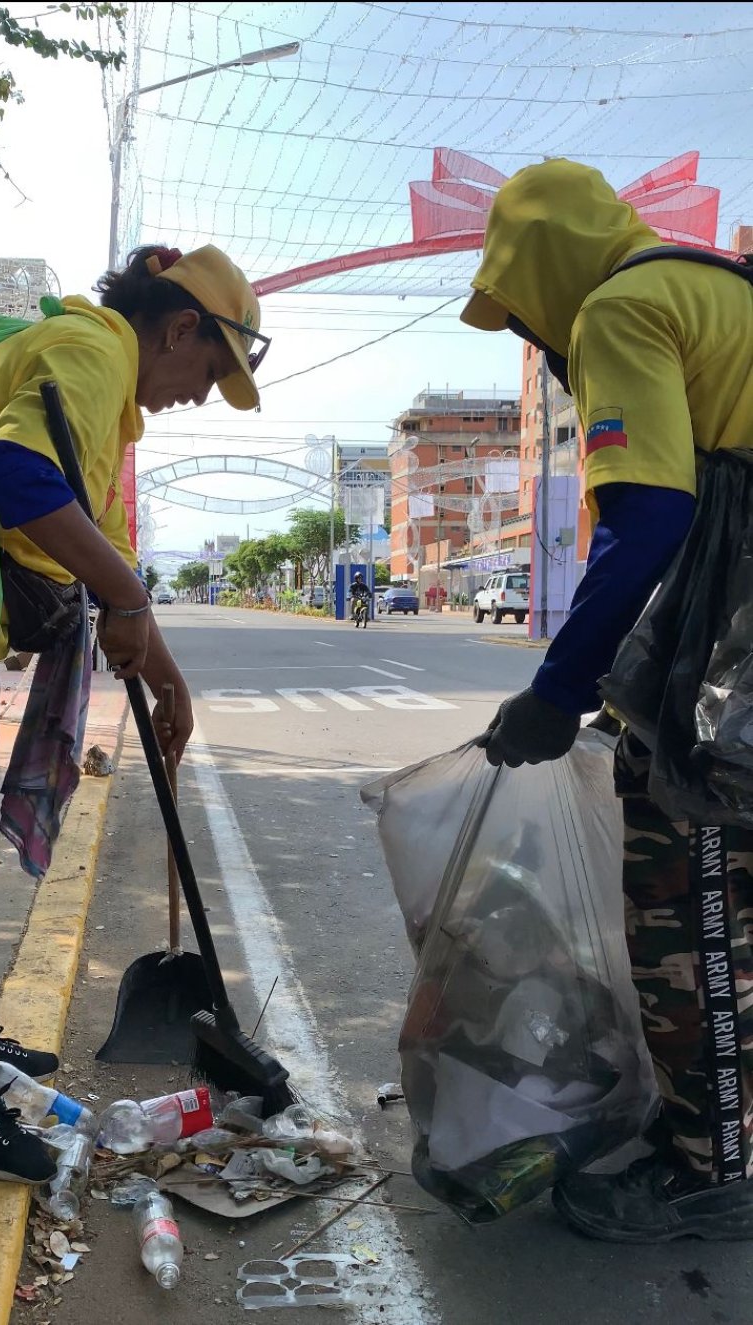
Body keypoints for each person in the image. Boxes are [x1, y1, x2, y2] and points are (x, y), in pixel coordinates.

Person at [0, 242, 268, 1184]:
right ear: (180, 328)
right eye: (208, 371)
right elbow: (18, 474)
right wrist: (126, 597)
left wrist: (169, 679)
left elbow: (110, 559)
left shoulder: (113, 417)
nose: (197, 394)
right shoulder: (90, 350)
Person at [461, 158, 753, 1241]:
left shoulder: (622, 306)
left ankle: (710, 1169)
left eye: (519, 307)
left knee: (695, 912)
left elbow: (650, 518)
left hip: (724, 694)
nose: (530, 335)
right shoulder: (717, 289)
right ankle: (724, 1127)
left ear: (543, 266)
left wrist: (557, 688)